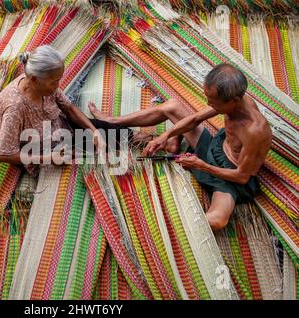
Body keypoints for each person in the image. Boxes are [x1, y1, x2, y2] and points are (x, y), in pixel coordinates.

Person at [89, 63, 272, 230]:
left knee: (217, 220)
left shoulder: (255, 130)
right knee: (171, 106)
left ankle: (165, 228)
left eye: (213, 102)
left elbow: (241, 176)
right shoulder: (234, 101)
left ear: (233, 101)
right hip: (215, 148)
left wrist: (201, 165)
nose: (209, 104)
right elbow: (195, 119)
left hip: (230, 178)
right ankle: (114, 121)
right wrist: (166, 135)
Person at [0, 45, 132, 177]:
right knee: (96, 166)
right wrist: (49, 158)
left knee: (113, 133)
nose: (57, 86)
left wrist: (94, 132)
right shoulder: (14, 108)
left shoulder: (40, 81)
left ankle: (139, 139)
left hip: (62, 129)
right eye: (54, 82)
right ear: (34, 79)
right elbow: (4, 154)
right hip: (45, 151)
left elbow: (68, 107)